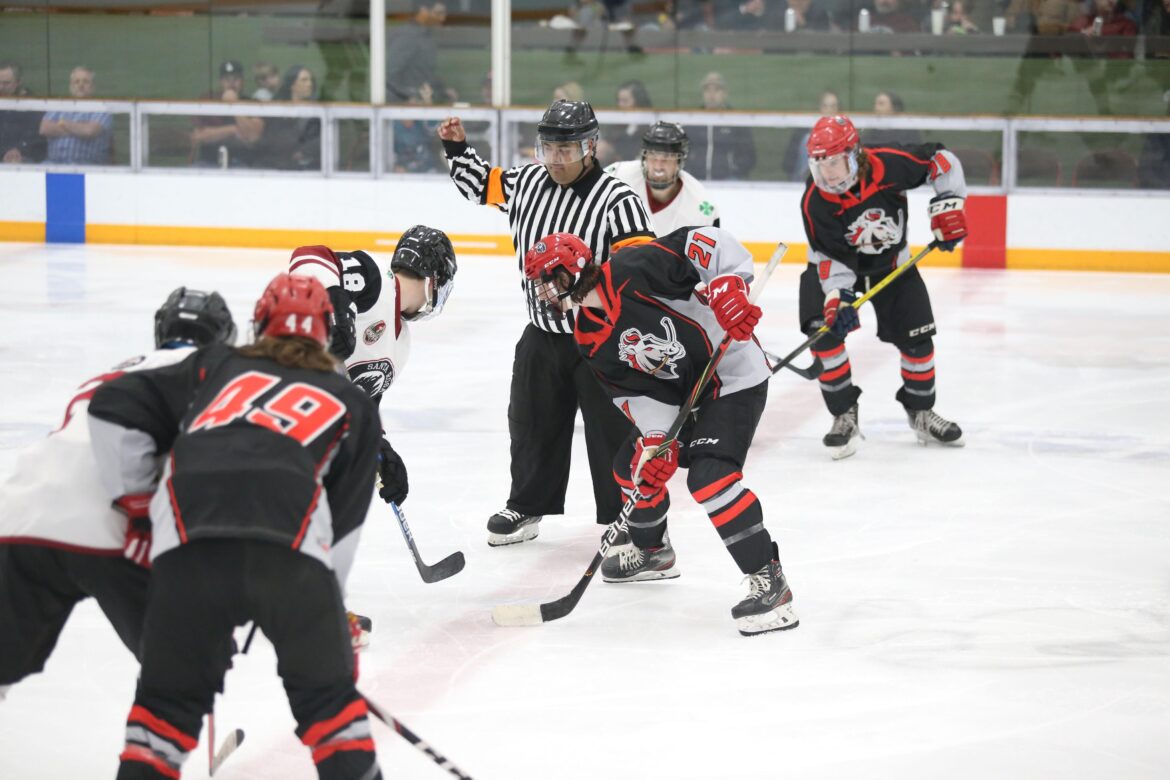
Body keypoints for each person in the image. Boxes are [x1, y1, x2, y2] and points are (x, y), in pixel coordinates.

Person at [90, 275, 382, 780]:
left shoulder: (216, 365)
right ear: (325, 333)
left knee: (160, 718)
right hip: (291, 559)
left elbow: (110, 408)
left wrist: (140, 505)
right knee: (333, 716)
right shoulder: (350, 401)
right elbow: (345, 529)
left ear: (258, 325)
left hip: (190, 551)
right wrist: (330, 626)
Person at [522, 229, 799, 636]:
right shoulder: (588, 333)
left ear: (574, 269)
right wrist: (656, 442)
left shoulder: (635, 268)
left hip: (733, 377)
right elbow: (634, 392)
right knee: (631, 468)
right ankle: (654, 552)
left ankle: (770, 582)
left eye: (549, 279)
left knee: (711, 478)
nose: (544, 292)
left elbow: (704, 243)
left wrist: (728, 287)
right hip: (685, 396)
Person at [0, 288, 236, 703]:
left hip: (20, 516)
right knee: (188, 666)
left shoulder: (110, 371)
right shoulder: (206, 374)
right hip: (116, 532)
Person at [438, 99, 655, 545]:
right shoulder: (529, 182)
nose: (555, 159)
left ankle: (624, 518)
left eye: (567, 149)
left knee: (611, 432)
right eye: (548, 148)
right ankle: (527, 505)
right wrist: (457, 149)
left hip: (601, 339)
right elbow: (484, 185)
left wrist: (590, 284)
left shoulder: (618, 200)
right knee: (531, 422)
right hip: (541, 334)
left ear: (591, 146)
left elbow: (641, 271)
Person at [799, 114, 968, 459]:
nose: (828, 174)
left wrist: (948, 205)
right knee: (824, 336)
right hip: (834, 268)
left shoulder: (889, 164)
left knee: (918, 341)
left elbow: (942, 160)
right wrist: (838, 302)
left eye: (834, 163)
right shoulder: (815, 200)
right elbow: (832, 259)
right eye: (820, 165)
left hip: (892, 265)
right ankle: (843, 414)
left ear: (855, 154)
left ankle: (920, 412)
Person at [287, 226, 458, 511]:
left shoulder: (400, 344)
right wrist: (333, 300)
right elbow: (306, 257)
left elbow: (361, 406)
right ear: (434, 280)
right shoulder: (375, 279)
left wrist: (378, 447)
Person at [605, 121, 721, 235]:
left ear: (679, 161)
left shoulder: (700, 206)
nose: (658, 166)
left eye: (667, 157)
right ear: (644, 157)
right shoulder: (616, 176)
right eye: (652, 156)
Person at [190, 60, 264, 168]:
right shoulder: (208, 100)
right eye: (227, 79)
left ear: (242, 81)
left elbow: (253, 137)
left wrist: (234, 106)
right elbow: (197, 136)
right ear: (220, 82)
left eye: (236, 79)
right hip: (208, 162)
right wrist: (232, 130)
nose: (231, 83)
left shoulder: (253, 103)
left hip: (241, 163)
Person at [687, 72, 757, 180]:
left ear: (725, 93)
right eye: (708, 90)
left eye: (717, 90)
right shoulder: (692, 119)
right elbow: (683, 151)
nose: (712, 95)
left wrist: (735, 170)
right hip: (696, 180)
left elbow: (749, 154)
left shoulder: (737, 120)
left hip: (728, 180)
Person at [386, 1, 458, 105]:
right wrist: (407, 99)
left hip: (422, 104)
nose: (442, 19)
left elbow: (424, 74)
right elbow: (390, 76)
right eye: (438, 13)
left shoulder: (426, 37)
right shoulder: (407, 36)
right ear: (423, 11)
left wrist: (443, 91)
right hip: (406, 111)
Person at [39, 66, 113, 165]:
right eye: (76, 82)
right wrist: (78, 129)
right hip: (53, 163)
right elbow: (44, 128)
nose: (80, 85)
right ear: (71, 86)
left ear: (93, 86)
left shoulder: (101, 109)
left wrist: (63, 123)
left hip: (86, 166)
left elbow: (89, 131)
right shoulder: (59, 105)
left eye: (85, 82)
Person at [257, 65, 322, 170]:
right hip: (279, 166)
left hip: (310, 167)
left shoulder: (318, 111)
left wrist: (305, 151)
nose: (309, 84)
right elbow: (270, 138)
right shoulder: (277, 110)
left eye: (310, 80)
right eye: (304, 80)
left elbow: (324, 138)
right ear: (292, 85)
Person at [782, 89, 840, 182]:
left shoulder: (843, 134)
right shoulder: (803, 131)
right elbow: (788, 163)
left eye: (833, 106)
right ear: (819, 108)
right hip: (802, 183)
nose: (829, 110)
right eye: (825, 106)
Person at [0, 61, 46, 163]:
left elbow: (37, 135)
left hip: (26, 156)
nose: (1, 87)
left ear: (19, 82)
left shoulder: (35, 105)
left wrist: (18, 150)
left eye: (6, 83)